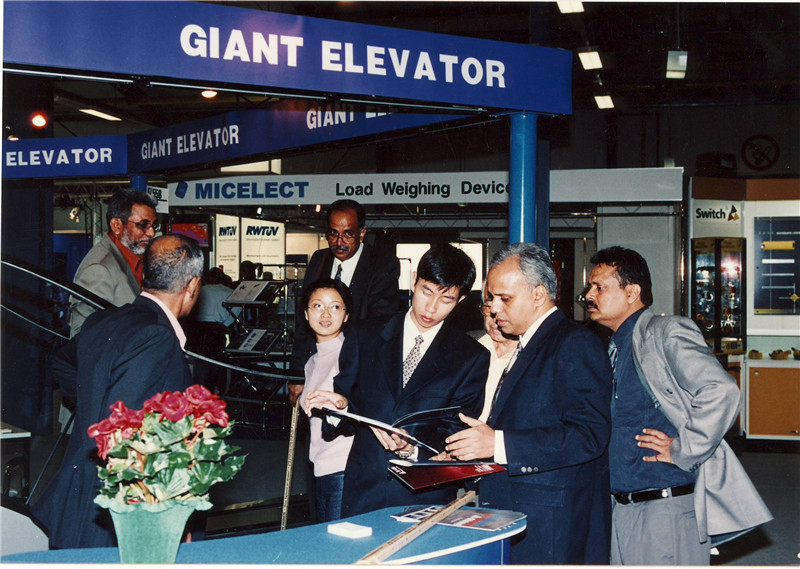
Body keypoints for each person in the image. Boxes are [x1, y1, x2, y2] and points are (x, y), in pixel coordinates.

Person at [585, 246, 772, 565]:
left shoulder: (665, 331)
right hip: (623, 507)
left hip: (663, 509)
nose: (589, 295)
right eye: (589, 287)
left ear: (632, 292)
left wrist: (686, 448)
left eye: (599, 287)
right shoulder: (615, 347)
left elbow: (721, 390)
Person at [443, 242, 612, 565]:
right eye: (491, 298)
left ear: (538, 295)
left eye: (505, 298)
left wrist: (497, 443)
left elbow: (589, 434)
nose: (494, 308)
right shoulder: (531, 344)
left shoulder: (574, 343)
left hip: (549, 525)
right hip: (522, 514)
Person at [32, 234, 204, 549]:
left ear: (144, 273)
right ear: (193, 285)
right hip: (121, 517)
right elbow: (129, 442)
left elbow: (62, 361)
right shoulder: (157, 338)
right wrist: (172, 518)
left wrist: (93, 403)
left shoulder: (104, 320)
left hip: (80, 496)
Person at [305, 244, 489, 518]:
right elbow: (348, 401)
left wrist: (413, 447)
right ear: (414, 281)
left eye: (447, 299)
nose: (432, 307)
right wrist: (338, 407)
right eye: (427, 291)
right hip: (363, 488)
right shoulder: (365, 334)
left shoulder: (470, 357)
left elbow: (456, 428)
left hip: (425, 495)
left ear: (461, 300)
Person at [289, 199, 401, 399]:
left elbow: (380, 324)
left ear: (362, 233)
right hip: (316, 366)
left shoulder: (382, 264)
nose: (339, 242)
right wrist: (297, 374)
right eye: (333, 233)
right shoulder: (318, 260)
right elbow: (303, 319)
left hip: (359, 371)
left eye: (348, 234)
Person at [297, 278, 355, 522]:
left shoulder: (350, 355)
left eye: (335, 307)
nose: (326, 314)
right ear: (306, 313)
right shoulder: (312, 362)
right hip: (319, 465)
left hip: (343, 466)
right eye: (318, 306)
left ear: (346, 315)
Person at [69, 189, 160, 337]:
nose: (151, 233)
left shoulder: (138, 257)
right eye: (143, 225)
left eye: (153, 225)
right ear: (117, 225)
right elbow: (81, 336)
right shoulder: (99, 269)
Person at [468, 287, 520, 422]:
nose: (495, 318)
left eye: (505, 309)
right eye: (488, 308)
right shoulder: (465, 344)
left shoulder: (531, 353)